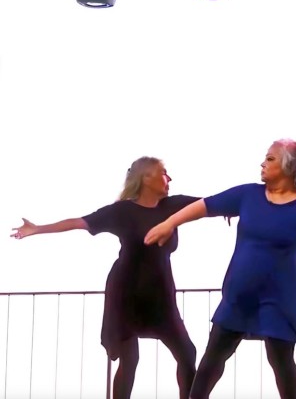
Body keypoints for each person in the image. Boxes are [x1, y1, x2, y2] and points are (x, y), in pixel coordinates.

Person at [143, 138, 296, 399]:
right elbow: (205, 206)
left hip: (278, 300)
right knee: (213, 358)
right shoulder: (248, 195)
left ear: (289, 167)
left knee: (281, 362)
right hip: (239, 295)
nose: (263, 164)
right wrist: (170, 223)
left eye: (270, 159)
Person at [9, 156, 201, 399]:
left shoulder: (173, 206)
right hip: (126, 293)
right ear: (146, 178)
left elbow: (211, 204)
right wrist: (36, 229)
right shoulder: (122, 211)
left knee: (187, 353)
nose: (169, 178)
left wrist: (244, 207)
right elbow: (79, 222)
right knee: (130, 360)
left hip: (159, 294)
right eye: (164, 172)